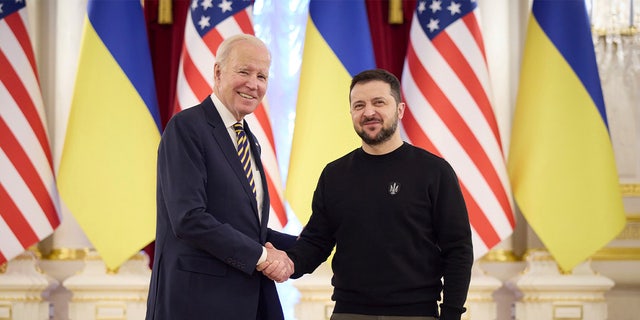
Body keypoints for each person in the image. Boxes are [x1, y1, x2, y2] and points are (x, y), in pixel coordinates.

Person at [283, 69, 473, 320]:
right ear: (351, 113)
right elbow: (317, 242)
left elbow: (458, 249)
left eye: (379, 102)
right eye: (359, 105)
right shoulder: (334, 174)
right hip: (348, 312)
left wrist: (451, 314)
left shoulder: (434, 172)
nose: (368, 112)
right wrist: (286, 263)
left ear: (400, 110)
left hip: (417, 313)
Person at [145, 34, 296, 320]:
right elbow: (189, 218)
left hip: (244, 302)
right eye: (244, 71)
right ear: (218, 72)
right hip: (195, 304)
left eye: (262, 76)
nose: (254, 84)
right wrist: (264, 258)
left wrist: (313, 245)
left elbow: (248, 229)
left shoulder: (249, 140)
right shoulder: (186, 128)